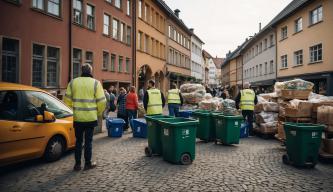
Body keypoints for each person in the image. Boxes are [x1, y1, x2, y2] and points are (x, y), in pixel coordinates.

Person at [64, 64, 106, 171]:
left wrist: (73, 112)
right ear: (91, 71)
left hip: (77, 118)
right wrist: (98, 112)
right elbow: (102, 101)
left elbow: (67, 101)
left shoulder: (73, 82)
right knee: (88, 142)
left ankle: (77, 165)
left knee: (78, 141)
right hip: (90, 118)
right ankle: (88, 163)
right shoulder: (96, 83)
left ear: (81, 71)